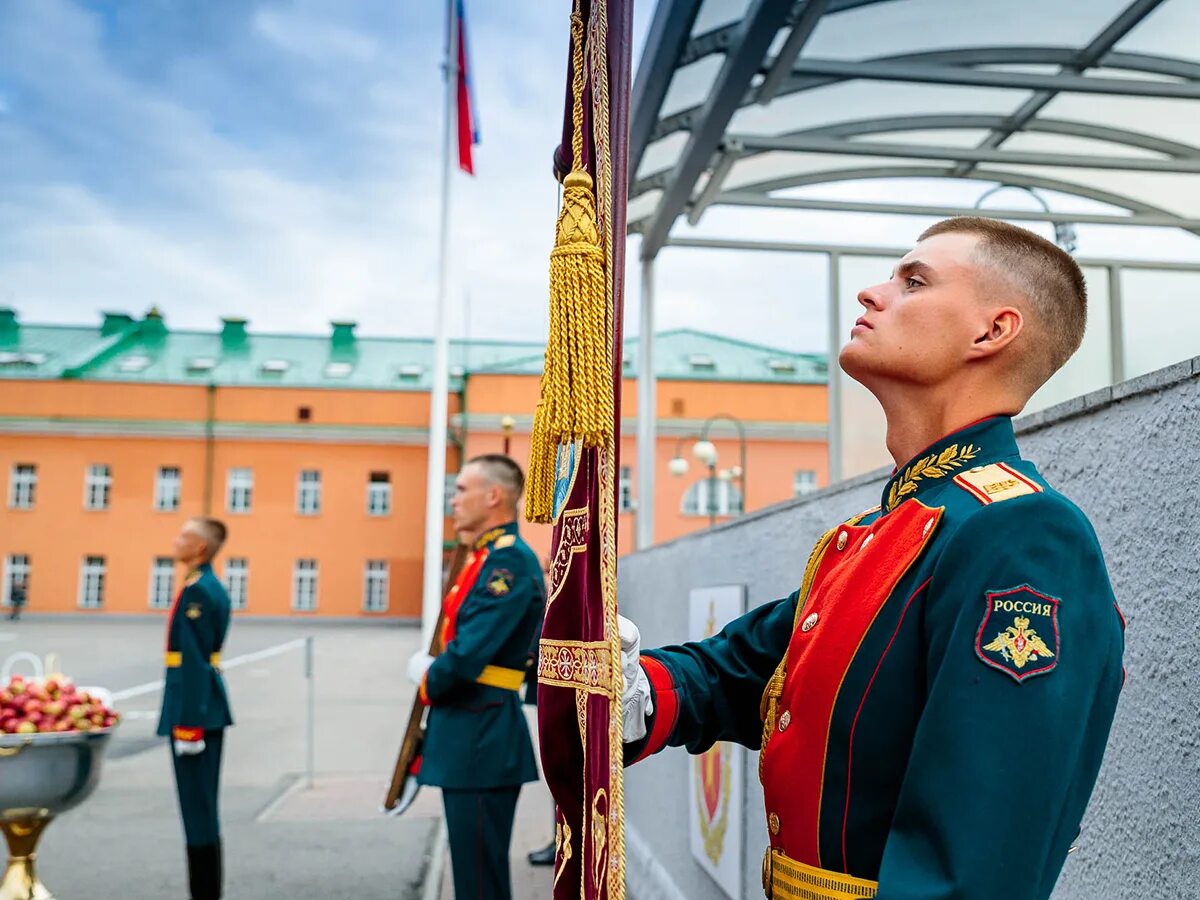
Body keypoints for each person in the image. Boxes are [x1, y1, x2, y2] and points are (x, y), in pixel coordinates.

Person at [619, 218, 1125, 900]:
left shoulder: (1021, 531)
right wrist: (640, 694)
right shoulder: (884, 531)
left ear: (992, 332)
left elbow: (970, 871)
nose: (870, 293)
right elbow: (753, 671)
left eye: (913, 281)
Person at [407, 454, 546, 900]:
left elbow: (468, 654)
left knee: (480, 885)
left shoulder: (508, 565)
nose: (453, 499)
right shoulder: (485, 557)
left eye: (462, 489)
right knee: (472, 878)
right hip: (471, 732)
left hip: (482, 737)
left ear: (493, 496)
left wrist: (431, 677)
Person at [157, 516, 234, 900]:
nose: (176, 540)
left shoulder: (198, 592)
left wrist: (188, 726)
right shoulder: (202, 585)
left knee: (198, 811)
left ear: (200, 547)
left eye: (184, 536)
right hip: (203, 707)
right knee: (199, 808)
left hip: (195, 713)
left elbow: (192, 661)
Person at [526, 555, 556, 868]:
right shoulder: (554, 592)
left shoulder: (567, 595)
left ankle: (563, 842)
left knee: (562, 768)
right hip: (543, 691)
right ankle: (559, 839)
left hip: (556, 693)